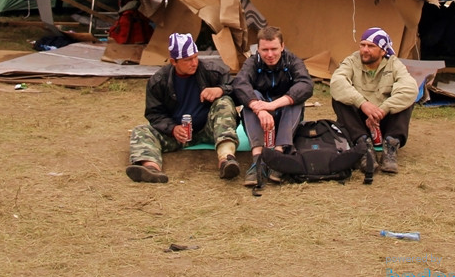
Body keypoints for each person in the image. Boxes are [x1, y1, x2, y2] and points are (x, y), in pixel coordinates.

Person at [126, 33, 241, 183]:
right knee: (141, 131)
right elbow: (154, 114)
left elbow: (239, 92)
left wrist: (220, 90)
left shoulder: (213, 71)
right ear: (174, 61)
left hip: (210, 129)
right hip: (179, 134)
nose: (194, 63)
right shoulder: (158, 81)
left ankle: (226, 160)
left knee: (224, 102)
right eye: (187, 60)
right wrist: (172, 129)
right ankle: (151, 168)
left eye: (195, 57)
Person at [232, 25, 313, 186]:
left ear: (282, 46)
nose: (270, 54)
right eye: (265, 50)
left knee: (295, 99)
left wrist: (273, 105)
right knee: (251, 97)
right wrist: (259, 108)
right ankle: (258, 160)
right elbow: (239, 84)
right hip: (260, 119)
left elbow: (306, 85)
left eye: (274, 49)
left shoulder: (292, 60)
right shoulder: (252, 62)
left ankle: (279, 156)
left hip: (285, 117)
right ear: (258, 49)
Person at [330, 27, 418, 173]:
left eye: (371, 46)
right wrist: (362, 103)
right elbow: (337, 82)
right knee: (339, 98)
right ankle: (363, 147)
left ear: (383, 51)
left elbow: (409, 88)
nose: (365, 50)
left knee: (406, 100)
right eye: (362, 45)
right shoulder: (352, 61)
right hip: (360, 123)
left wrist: (383, 110)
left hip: (383, 121)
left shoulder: (394, 64)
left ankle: (390, 146)